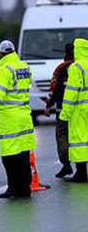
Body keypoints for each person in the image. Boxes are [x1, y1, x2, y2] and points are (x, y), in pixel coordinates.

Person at [0, 40, 36, 199]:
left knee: (9, 156)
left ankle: (13, 189)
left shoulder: (3, 69)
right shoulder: (24, 67)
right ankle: (25, 188)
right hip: (24, 116)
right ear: (13, 51)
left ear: (0, 54)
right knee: (24, 154)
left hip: (10, 119)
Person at [59, 38, 88, 183]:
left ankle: (81, 173)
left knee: (79, 141)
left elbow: (71, 93)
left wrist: (65, 114)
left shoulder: (77, 68)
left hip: (80, 110)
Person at [44, 43, 74, 178]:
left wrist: (48, 105)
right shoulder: (82, 67)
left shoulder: (61, 69)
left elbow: (54, 89)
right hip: (80, 111)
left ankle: (66, 165)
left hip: (63, 110)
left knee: (62, 136)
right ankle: (81, 168)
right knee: (80, 138)